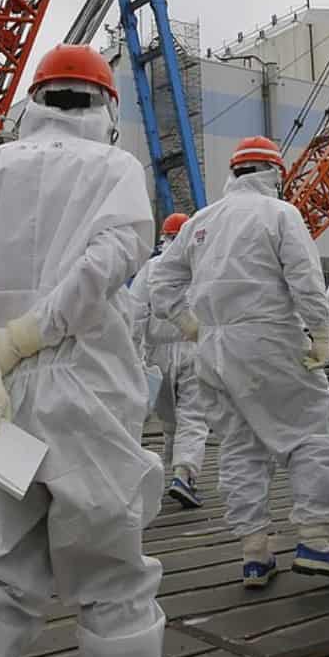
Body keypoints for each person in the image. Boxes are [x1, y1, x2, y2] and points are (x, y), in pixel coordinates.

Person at [0, 46, 167, 657]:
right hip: (85, 386)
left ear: (33, 102)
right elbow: (108, 261)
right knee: (111, 572)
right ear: (106, 108)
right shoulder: (114, 167)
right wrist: (31, 333)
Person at [148, 135, 329, 589]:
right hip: (271, 340)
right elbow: (305, 280)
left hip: (214, 349)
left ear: (234, 173)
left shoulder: (201, 221)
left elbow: (160, 284)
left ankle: (254, 552)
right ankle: (314, 540)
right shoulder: (280, 214)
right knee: (308, 434)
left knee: (239, 447)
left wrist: (190, 325)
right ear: (275, 173)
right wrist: (320, 333)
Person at [128, 211, 211, 508]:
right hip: (193, 346)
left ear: (163, 237)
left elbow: (135, 313)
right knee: (193, 416)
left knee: (161, 419)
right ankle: (183, 475)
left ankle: (148, 475)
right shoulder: (201, 266)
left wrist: (133, 355)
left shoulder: (151, 269)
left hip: (155, 354)